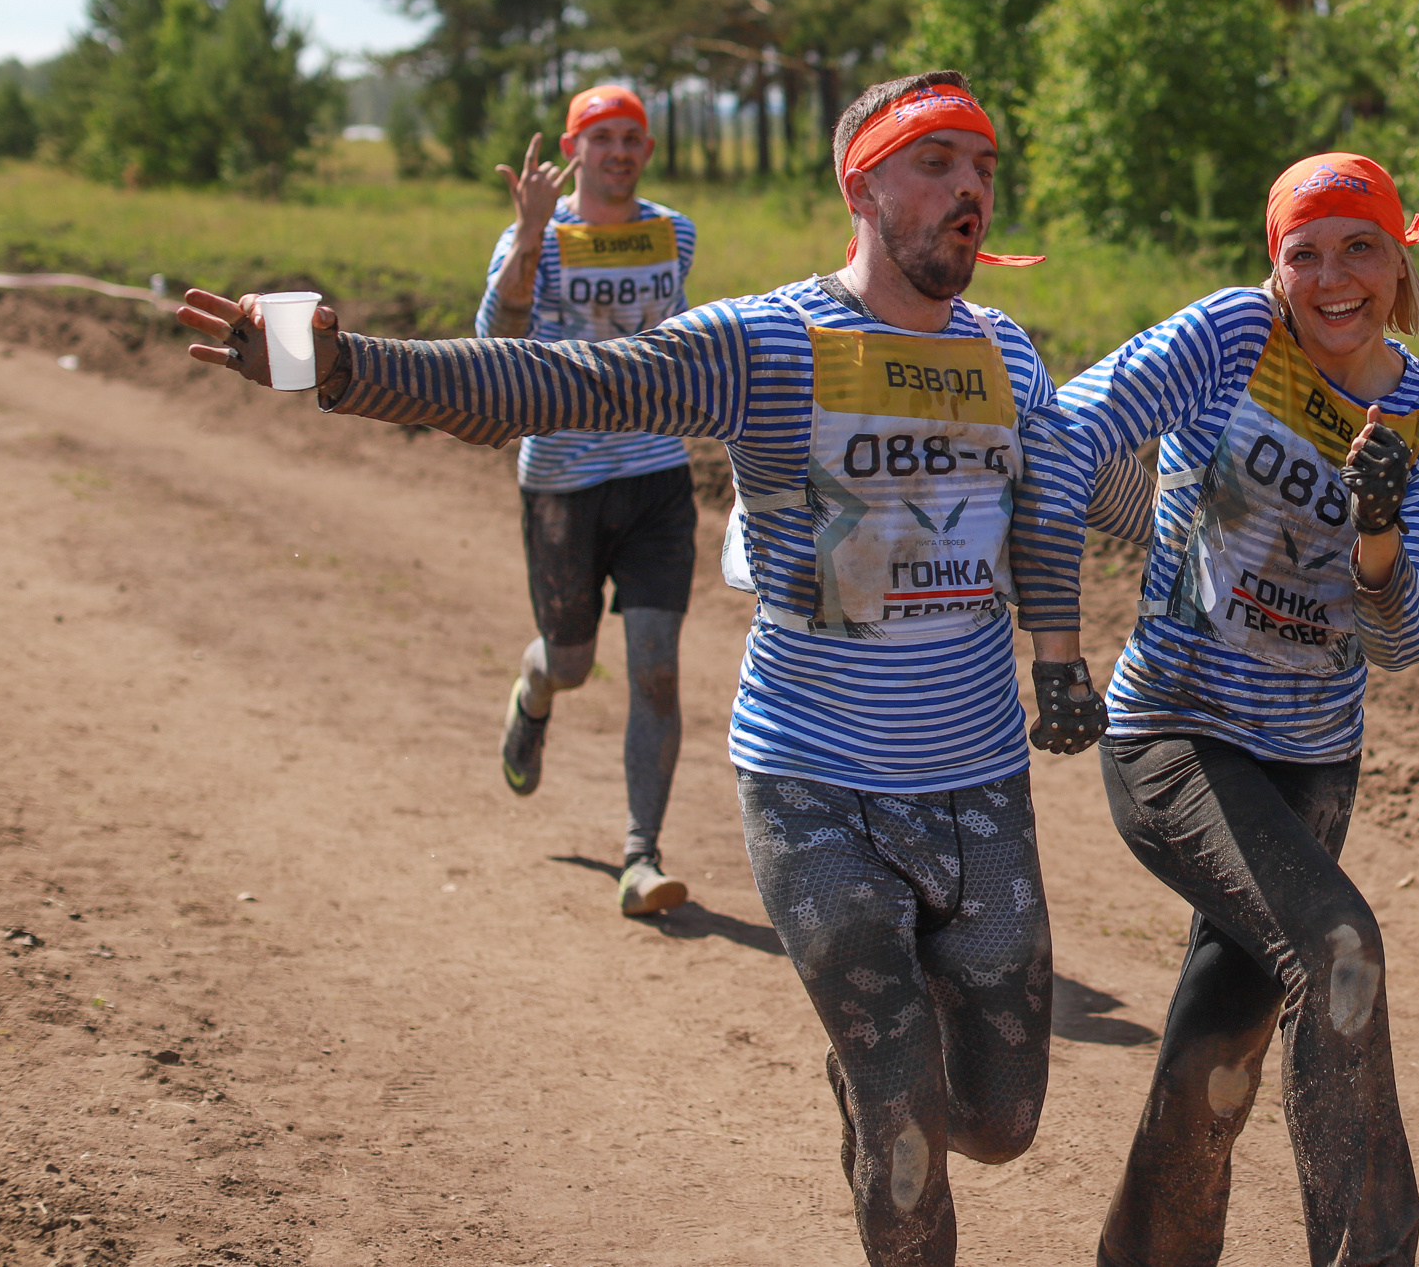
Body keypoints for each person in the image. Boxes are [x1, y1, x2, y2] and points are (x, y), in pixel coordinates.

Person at [178, 72, 1108, 1267]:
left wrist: (1114, 622)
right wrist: (347, 364)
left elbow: (1068, 499)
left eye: (982, 166)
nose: (969, 188)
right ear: (862, 186)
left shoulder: (1007, 354)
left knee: (1000, 1121)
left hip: (975, 782)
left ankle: (877, 1065)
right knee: (904, 1115)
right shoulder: (768, 342)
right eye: (935, 162)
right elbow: (564, 382)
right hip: (814, 783)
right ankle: (880, 1071)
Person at [1024, 152, 1419, 1267]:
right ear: (1275, 266)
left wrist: (1378, 538)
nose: (1333, 278)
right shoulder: (1234, 337)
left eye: (1359, 247)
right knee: (1340, 951)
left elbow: (1414, 641)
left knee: (1216, 1058)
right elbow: (1066, 430)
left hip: (1312, 764)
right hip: (1175, 734)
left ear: (1399, 259)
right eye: (1304, 253)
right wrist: (1086, 592)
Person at [478, 84, 700, 918]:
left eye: (631, 137)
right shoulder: (533, 237)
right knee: (570, 663)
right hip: (563, 483)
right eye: (601, 138)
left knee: (657, 670)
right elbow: (495, 345)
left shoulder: (674, 233)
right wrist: (532, 234)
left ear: (648, 150)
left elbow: (679, 335)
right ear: (573, 151)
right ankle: (534, 693)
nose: (618, 151)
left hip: (656, 477)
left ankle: (641, 855)